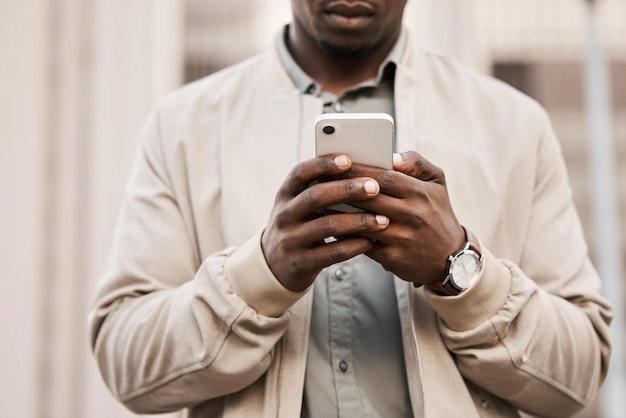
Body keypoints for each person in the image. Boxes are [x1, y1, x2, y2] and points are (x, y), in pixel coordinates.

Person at [88, 1, 613, 417]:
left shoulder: (515, 124)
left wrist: (458, 268)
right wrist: (260, 274)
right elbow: (125, 365)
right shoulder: (181, 125)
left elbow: (579, 376)